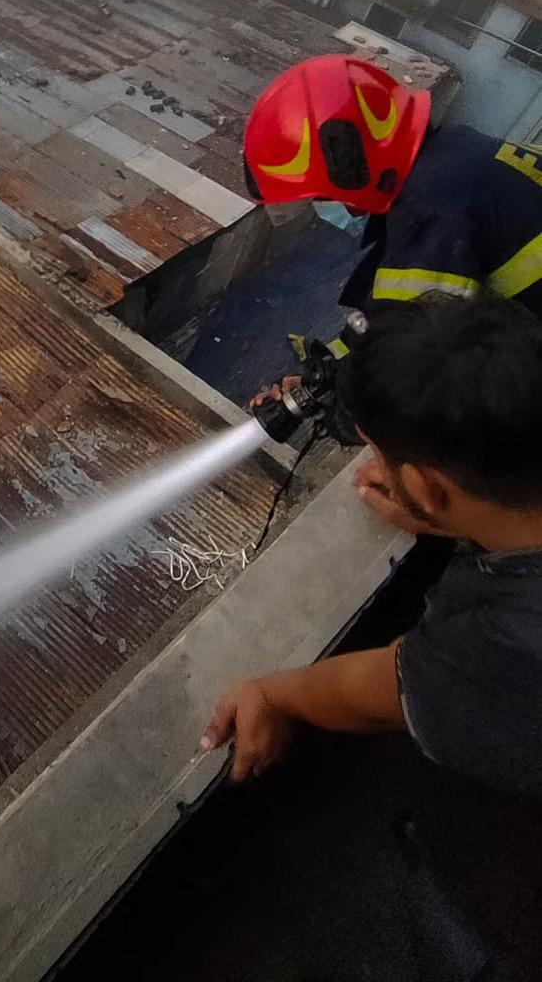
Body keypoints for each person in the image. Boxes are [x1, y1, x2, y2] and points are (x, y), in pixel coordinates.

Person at [202, 295, 542, 980]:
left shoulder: (502, 653)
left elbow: (380, 692)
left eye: (383, 456)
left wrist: (271, 693)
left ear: (426, 484)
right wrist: (452, 517)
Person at [243, 56, 542, 322]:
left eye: (318, 198)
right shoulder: (454, 150)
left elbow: (410, 345)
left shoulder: (432, 207)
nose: (321, 208)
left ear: (351, 170)